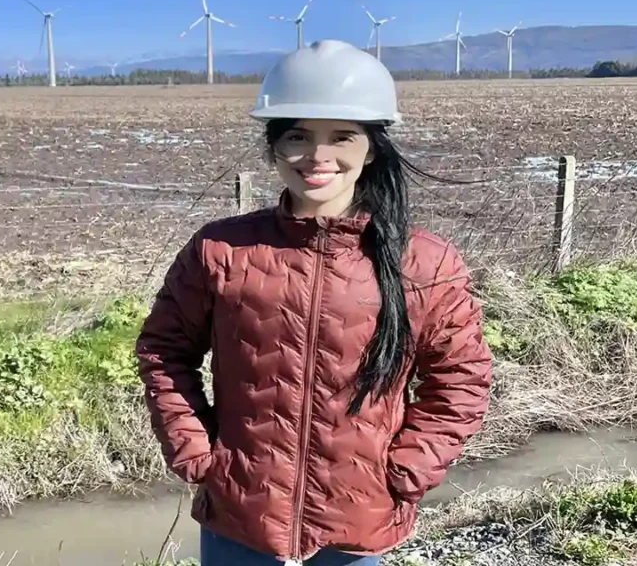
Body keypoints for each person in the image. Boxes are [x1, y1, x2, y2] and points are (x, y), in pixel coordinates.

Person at [135, 39, 493, 566]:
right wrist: (196, 450)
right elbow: (164, 350)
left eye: (341, 137)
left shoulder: (422, 263)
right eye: (298, 136)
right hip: (240, 519)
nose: (318, 157)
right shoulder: (221, 250)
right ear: (273, 145)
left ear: (371, 147)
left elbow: (461, 378)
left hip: (359, 524)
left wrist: (407, 470)